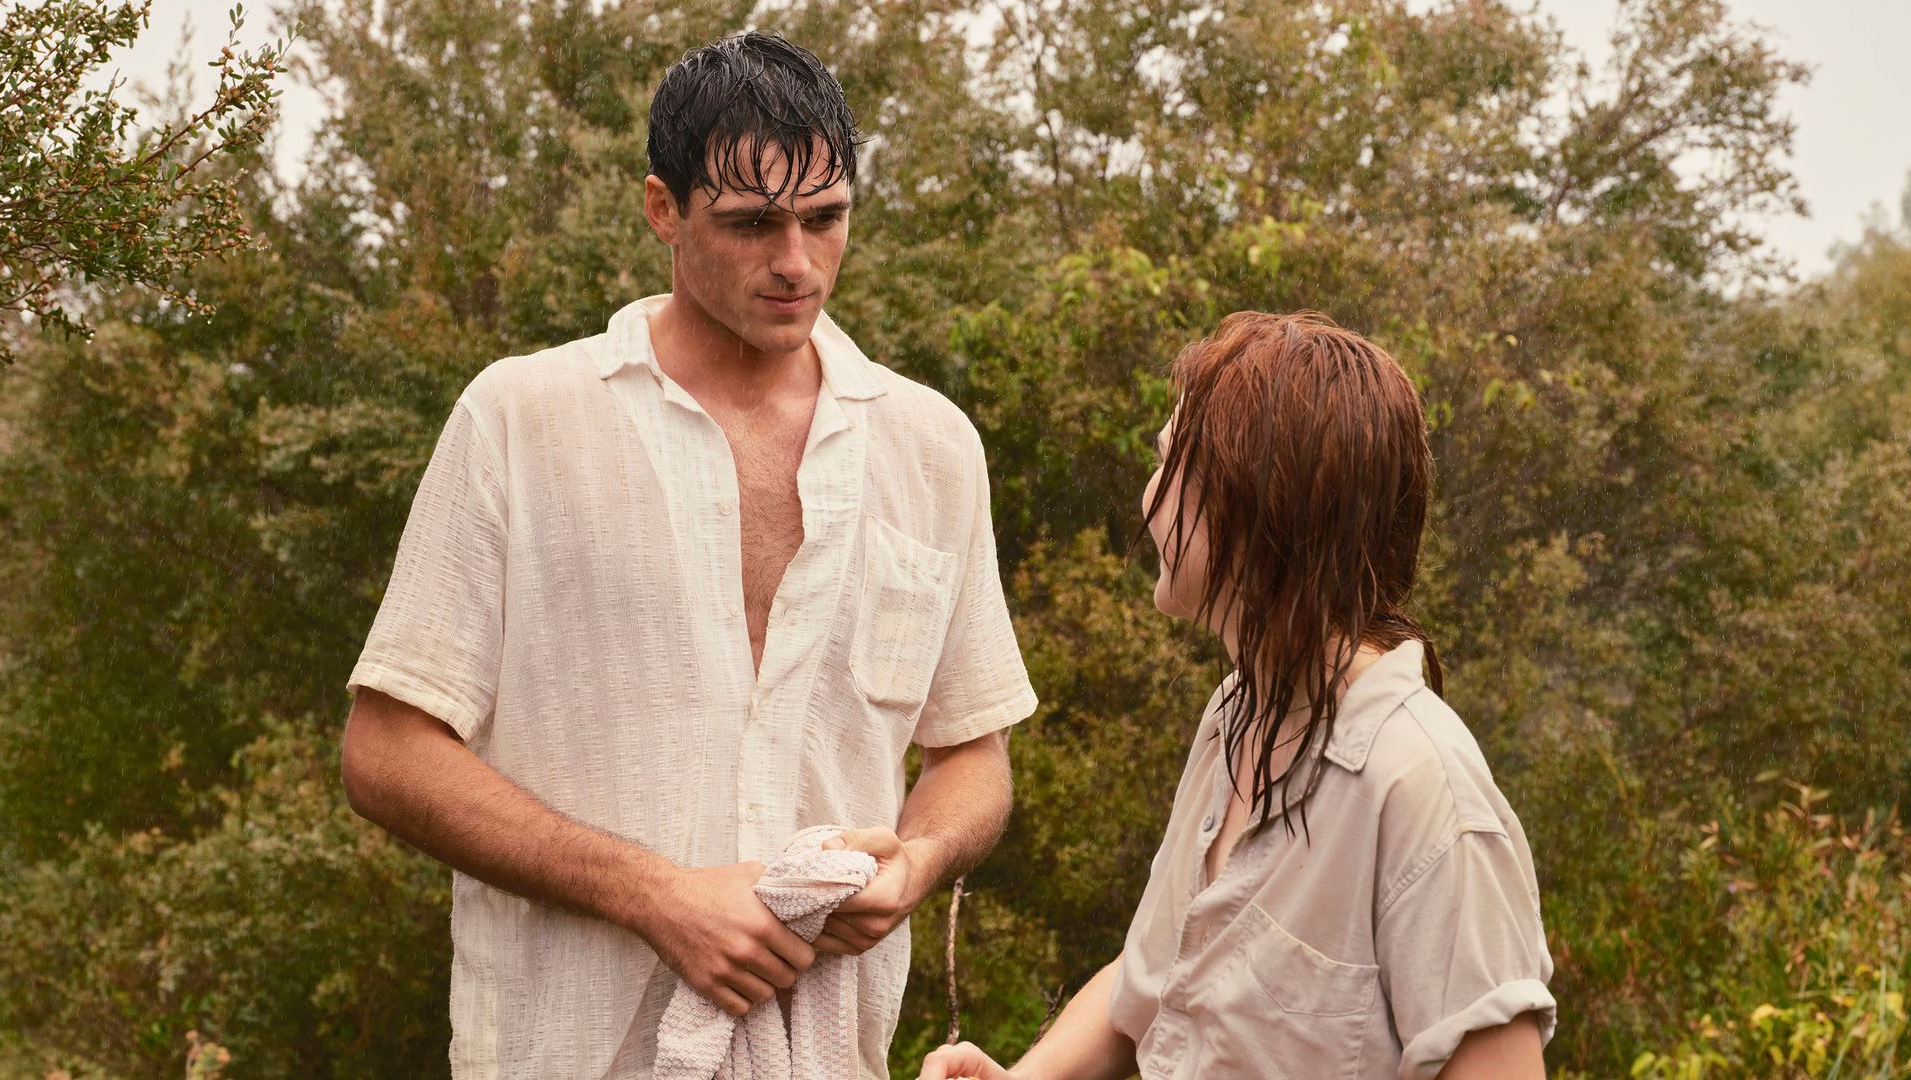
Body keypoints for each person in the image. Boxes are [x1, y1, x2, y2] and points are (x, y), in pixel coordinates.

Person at [339, 31, 1037, 1080]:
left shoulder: (931, 447)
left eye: (825, 219)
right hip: (563, 1055)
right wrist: (655, 895)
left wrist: (920, 862)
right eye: (752, 224)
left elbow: (972, 755)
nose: (796, 262)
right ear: (664, 209)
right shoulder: (522, 420)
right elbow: (385, 752)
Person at [919, 312, 1553, 1080]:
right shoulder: (1233, 719)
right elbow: (1154, 978)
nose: (1148, 497)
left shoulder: (1425, 790)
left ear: (1254, 509)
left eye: (1167, 467)